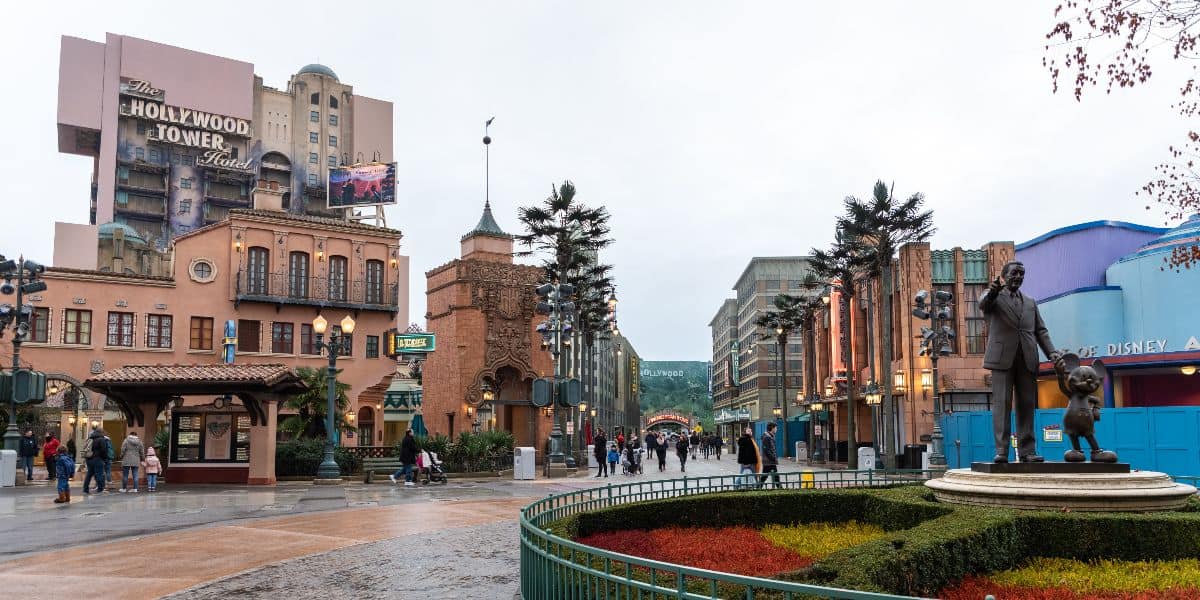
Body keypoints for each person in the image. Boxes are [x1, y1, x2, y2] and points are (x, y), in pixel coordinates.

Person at [980, 261, 1062, 463]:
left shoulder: (1030, 302)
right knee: (1002, 405)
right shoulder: (994, 297)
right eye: (1014, 273)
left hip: (1027, 357)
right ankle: (1001, 450)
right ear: (1004, 275)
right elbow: (983, 304)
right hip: (1002, 358)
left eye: (1022, 274)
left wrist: (1051, 352)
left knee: (1027, 404)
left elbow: (1040, 331)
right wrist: (992, 291)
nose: (1018, 277)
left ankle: (1028, 451)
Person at [82, 426, 108, 495]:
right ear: (101, 432)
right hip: (98, 459)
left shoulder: (90, 438)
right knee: (99, 474)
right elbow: (104, 450)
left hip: (89, 459)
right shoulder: (101, 439)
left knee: (89, 474)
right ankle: (100, 489)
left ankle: (85, 489)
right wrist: (105, 459)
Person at [760, 422, 780, 488]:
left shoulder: (770, 436)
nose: (776, 429)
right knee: (767, 476)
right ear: (772, 428)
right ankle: (780, 488)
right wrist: (773, 458)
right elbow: (766, 450)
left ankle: (780, 488)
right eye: (775, 428)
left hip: (769, 461)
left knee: (766, 477)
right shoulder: (767, 437)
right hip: (769, 461)